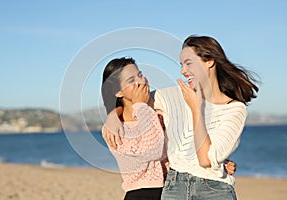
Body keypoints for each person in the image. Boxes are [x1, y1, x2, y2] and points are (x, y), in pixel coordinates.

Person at [103, 35, 258, 199]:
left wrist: (218, 162)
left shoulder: (234, 109)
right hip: (170, 188)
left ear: (210, 61)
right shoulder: (173, 97)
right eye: (181, 65)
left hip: (209, 189)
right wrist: (113, 115)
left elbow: (200, 156)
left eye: (188, 63)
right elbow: (139, 109)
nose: (183, 71)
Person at [101, 57, 167, 200]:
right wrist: (140, 106)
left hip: (174, 190)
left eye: (140, 74)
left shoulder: (160, 110)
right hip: (141, 194)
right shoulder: (114, 129)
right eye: (131, 80)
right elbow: (154, 151)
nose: (141, 81)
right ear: (118, 92)